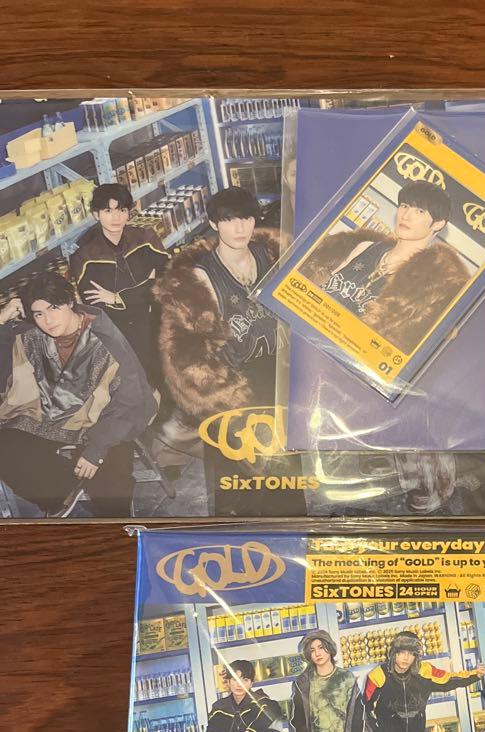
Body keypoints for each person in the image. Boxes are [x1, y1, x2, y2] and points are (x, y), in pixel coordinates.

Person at [154, 186, 304, 515]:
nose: (239, 228)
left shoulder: (272, 256)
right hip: (233, 382)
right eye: (229, 220)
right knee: (238, 477)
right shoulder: (199, 277)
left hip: (279, 374)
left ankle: (288, 526)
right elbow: (184, 352)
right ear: (213, 223)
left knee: (286, 471)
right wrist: (220, 393)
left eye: (246, 218)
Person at [0, 273, 157, 515]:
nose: (47, 320)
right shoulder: (33, 335)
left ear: (70, 302)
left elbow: (130, 401)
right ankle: (62, 491)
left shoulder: (104, 340)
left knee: (111, 484)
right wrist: (2, 319)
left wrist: (96, 451)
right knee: (5, 445)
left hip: (105, 418)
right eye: (38, 314)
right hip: (54, 417)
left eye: (54, 308)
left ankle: (114, 530)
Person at [300, 179, 470, 354]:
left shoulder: (421, 289)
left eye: (420, 211)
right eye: (404, 206)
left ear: (438, 224)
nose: (406, 215)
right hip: (307, 333)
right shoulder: (365, 247)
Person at [69, 182, 170, 385]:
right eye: (108, 211)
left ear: (129, 212)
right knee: (137, 383)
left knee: (167, 378)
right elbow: (97, 307)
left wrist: (117, 297)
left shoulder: (146, 238)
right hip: (120, 334)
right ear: (96, 214)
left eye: (122, 210)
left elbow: (167, 281)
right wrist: (146, 287)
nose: (116, 217)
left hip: (157, 322)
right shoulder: (84, 257)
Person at [362, 630, 485, 732]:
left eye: (411, 653)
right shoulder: (378, 675)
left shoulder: (424, 671)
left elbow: (448, 679)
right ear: (394, 653)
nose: (406, 658)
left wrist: (474, 675)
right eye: (402, 652)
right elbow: (365, 708)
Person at [289, 630, 368, 732]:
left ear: (329, 648)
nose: (317, 653)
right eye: (312, 650)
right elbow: (297, 725)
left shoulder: (346, 678)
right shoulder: (303, 683)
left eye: (321, 647)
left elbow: (359, 720)